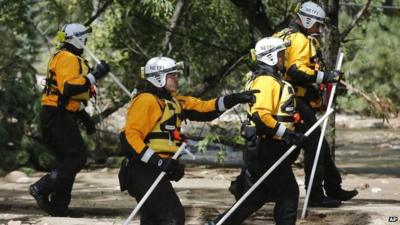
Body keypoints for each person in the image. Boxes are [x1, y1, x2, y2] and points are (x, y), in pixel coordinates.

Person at [118, 56, 258, 225]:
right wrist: (159, 162)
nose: (177, 79)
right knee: (173, 216)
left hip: (155, 167)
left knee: (153, 219)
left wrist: (233, 99)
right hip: (142, 169)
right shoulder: (147, 101)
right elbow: (130, 137)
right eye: (172, 75)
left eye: (177, 75)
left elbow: (206, 109)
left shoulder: (175, 102)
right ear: (158, 77)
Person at [206, 37, 304, 225]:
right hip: (266, 147)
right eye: (281, 54)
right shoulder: (266, 81)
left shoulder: (272, 80)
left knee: (256, 196)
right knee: (288, 192)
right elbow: (261, 117)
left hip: (267, 146)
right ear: (271, 57)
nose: (284, 58)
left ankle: (216, 224)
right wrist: (288, 134)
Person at [274, 1, 358, 207]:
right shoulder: (300, 39)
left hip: (283, 99)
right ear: (308, 19)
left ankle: (333, 187)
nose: (319, 29)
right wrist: (327, 76)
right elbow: (296, 71)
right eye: (317, 24)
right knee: (314, 146)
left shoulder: (281, 34)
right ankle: (315, 196)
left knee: (320, 145)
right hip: (295, 100)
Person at [29, 23, 110, 216]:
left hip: (60, 113)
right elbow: (69, 88)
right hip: (55, 115)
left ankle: (59, 206)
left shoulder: (71, 57)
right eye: (85, 38)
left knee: (65, 160)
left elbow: (70, 98)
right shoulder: (67, 57)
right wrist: (95, 75)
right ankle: (42, 187)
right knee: (76, 157)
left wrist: (85, 118)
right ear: (78, 38)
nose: (87, 42)